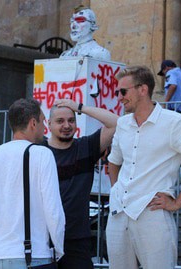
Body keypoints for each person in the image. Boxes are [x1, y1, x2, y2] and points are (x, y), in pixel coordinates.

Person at [106, 66, 181, 269]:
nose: (119, 97)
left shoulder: (174, 122)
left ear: (143, 90)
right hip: (118, 213)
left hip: (152, 212)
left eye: (123, 91)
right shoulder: (122, 124)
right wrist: (115, 191)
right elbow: (114, 161)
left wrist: (178, 202)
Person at [0, 98, 65, 269]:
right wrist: (58, 249)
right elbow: (54, 211)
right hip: (33, 256)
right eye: (43, 121)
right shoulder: (42, 155)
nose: (45, 128)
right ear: (32, 123)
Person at [43, 98, 118, 269]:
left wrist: (79, 107)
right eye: (60, 121)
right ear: (48, 124)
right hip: (44, 239)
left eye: (71, 120)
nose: (67, 125)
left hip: (77, 239)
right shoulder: (39, 150)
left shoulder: (86, 147)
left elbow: (115, 123)